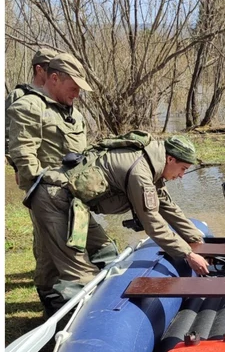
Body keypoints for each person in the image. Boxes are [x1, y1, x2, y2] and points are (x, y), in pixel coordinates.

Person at [29, 135, 210, 310]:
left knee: (104, 250)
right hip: (54, 200)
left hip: (72, 203)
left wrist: (196, 238)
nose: (182, 175)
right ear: (170, 159)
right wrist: (187, 254)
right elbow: (153, 223)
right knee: (79, 272)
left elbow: (168, 207)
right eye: (183, 169)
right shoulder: (140, 172)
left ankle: (60, 300)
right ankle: (68, 320)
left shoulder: (150, 164)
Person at [6, 51, 116, 316]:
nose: (77, 94)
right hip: (48, 195)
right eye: (73, 87)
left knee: (63, 251)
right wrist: (54, 180)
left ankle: (55, 306)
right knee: (62, 258)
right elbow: (24, 156)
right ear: (54, 78)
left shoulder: (74, 113)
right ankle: (59, 309)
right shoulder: (29, 107)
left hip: (74, 196)